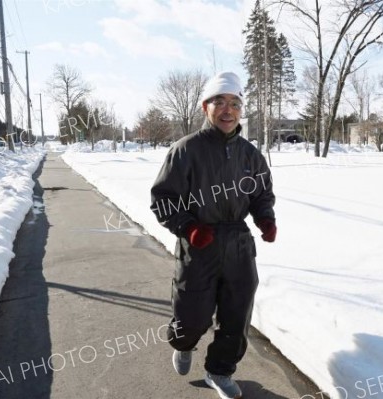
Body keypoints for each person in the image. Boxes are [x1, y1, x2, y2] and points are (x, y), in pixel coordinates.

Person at [150, 71, 276, 399]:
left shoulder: (251, 154)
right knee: (192, 315)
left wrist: (265, 219)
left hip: (238, 243)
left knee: (236, 314)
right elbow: (163, 198)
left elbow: (262, 193)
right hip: (199, 244)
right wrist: (190, 227)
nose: (227, 109)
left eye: (234, 103)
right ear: (206, 107)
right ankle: (184, 342)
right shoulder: (186, 150)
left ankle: (219, 371)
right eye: (219, 102)